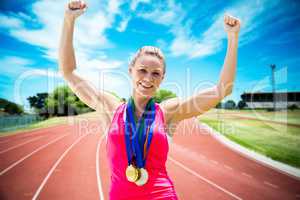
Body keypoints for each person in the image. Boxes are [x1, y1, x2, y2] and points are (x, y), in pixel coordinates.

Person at [59, 0, 241, 199]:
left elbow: (223, 90)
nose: (148, 78)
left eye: (155, 73)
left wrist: (232, 38)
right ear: (130, 71)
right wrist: (69, 20)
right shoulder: (111, 107)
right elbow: (68, 72)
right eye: (142, 70)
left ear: (162, 79)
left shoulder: (169, 112)